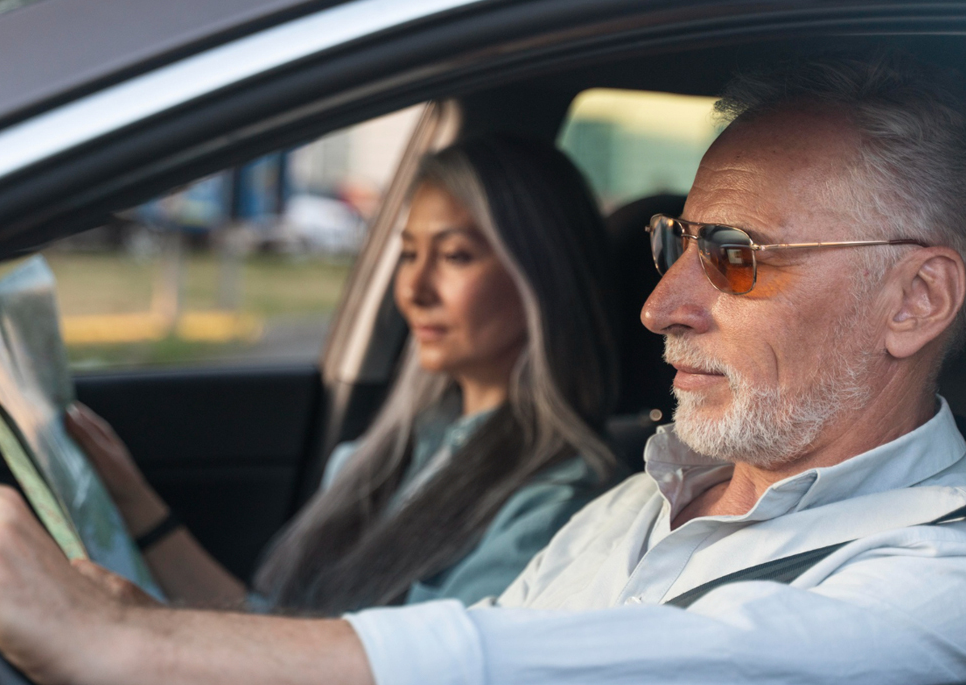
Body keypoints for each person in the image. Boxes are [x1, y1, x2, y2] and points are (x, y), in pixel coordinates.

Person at [0, 53, 966, 685]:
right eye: (675, 243)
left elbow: (502, 684)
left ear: (916, 299)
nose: (660, 303)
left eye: (736, 255)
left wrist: (110, 632)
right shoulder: (629, 509)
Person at [66, 135, 621, 614]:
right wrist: (132, 500)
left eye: (454, 257)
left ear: (542, 278)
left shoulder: (556, 502)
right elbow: (275, 632)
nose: (415, 289)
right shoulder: (387, 453)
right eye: (407, 254)